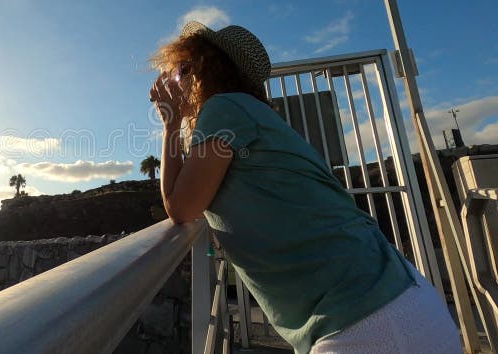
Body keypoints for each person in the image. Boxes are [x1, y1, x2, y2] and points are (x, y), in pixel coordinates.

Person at [147, 21, 461, 354]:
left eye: (180, 70)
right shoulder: (252, 115)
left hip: (365, 327)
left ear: (206, 70)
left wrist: (169, 125)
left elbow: (181, 207)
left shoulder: (224, 109)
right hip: (400, 304)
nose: (174, 81)